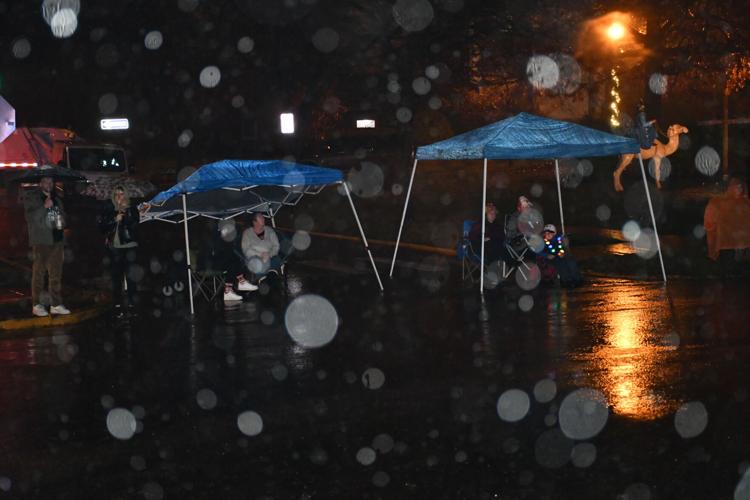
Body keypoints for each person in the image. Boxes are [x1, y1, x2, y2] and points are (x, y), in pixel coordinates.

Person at [23, 176, 70, 317]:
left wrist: (62, 219)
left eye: (51, 182)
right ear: (40, 183)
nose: (48, 184)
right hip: (41, 241)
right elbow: (31, 218)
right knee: (39, 273)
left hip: (57, 240)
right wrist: (44, 207)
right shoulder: (32, 197)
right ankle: (37, 304)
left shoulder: (57, 198)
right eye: (46, 182)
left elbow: (64, 217)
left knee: (55, 274)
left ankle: (55, 304)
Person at [99, 186, 141, 315]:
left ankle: (132, 304)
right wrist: (114, 219)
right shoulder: (109, 209)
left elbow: (135, 225)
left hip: (129, 248)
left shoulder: (132, 208)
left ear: (125, 196)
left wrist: (125, 215)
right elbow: (102, 227)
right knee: (116, 278)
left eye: (121, 194)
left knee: (131, 278)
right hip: (114, 248)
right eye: (116, 194)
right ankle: (117, 304)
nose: (119, 197)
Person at [703, 177, 750, 275]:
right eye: (737, 186)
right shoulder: (718, 203)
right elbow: (710, 225)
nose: (739, 189)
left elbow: (709, 225)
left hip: (733, 247)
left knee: (733, 277)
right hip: (729, 247)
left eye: (740, 187)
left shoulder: (745, 203)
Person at [204, 220, 258, 302]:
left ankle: (231, 289)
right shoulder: (213, 235)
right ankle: (239, 283)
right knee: (232, 257)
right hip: (211, 264)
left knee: (233, 262)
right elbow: (215, 250)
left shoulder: (221, 234)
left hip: (223, 261)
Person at [537, 224, 583, 288]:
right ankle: (567, 281)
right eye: (546, 233)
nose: (547, 234)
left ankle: (577, 279)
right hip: (550, 259)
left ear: (554, 233)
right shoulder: (542, 242)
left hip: (560, 256)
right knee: (560, 264)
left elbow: (564, 248)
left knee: (570, 261)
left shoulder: (559, 239)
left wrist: (563, 251)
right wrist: (547, 255)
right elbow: (537, 251)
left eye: (550, 233)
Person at [241, 212, 281, 282]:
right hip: (254, 258)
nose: (263, 218)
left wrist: (269, 254)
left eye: (263, 217)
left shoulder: (269, 231)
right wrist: (261, 255)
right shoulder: (247, 233)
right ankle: (263, 281)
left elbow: (276, 246)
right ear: (254, 222)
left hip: (271, 256)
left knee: (276, 261)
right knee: (258, 265)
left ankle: (270, 279)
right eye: (260, 217)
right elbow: (246, 249)